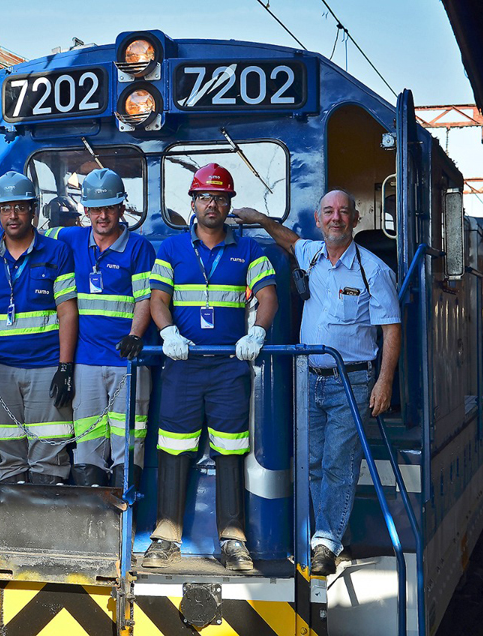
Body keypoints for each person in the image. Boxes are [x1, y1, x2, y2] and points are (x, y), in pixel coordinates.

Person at [234, 189, 402, 576]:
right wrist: (260, 218)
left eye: (344, 211)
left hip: (351, 380)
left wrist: (385, 382)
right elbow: (288, 240)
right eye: (329, 212)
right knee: (311, 461)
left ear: (356, 220)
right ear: (318, 219)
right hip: (308, 378)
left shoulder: (373, 270)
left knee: (337, 464)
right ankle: (317, 534)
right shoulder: (312, 255)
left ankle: (327, 541)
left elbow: (391, 330)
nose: (336, 218)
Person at [142, 163, 278, 571]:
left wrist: (258, 333)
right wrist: (167, 333)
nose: (212, 204)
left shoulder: (249, 249)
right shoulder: (171, 249)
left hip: (229, 367)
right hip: (183, 366)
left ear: (229, 204)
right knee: (173, 448)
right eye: (205, 197)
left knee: (230, 450)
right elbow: (157, 299)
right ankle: (166, 537)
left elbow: (268, 297)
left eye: (219, 198)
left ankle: (233, 541)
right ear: (193, 203)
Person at [0, 171, 78, 484]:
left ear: (34, 210)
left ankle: (48, 528)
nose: (12, 215)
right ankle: (14, 532)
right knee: (8, 454)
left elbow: (68, 312)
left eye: (20, 207)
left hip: (46, 368)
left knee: (50, 454)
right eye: (5, 208)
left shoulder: (57, 252)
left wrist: (65, 368)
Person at [46, 169, 156, 487]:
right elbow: (34, 239)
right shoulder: (70, 239)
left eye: (109, 207)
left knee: (129, 440)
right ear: (86, 210)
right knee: (87, 443)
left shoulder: (139, 248)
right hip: (85, 363)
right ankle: (91, 523)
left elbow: (144, 298)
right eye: (95, 208)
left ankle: (125, 522)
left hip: (128, 362)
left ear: (122, 208)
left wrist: (135, 335)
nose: (102, 215)